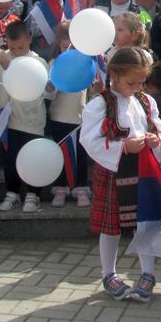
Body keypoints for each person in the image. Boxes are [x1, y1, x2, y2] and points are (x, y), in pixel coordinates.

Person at [79, 47, 161, 302]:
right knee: (111, 227)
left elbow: (160, 128)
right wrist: (123, 147)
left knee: (145, 223)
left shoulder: (145, 101)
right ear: (115, 75)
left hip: (143, 169)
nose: (137, 87)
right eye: (132, 82)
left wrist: (156, 139)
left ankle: (148, 273)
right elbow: (89, 140)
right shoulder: (100, 104)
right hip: (113, 170)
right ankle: (109, 273)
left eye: (141, 82)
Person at [0, 21, 49, 213]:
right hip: (7, 121)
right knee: (10, 159)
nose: (17, 51)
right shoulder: (2, 58)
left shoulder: (38, 63)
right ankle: (12, 194)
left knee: (32, 159)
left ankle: (33, 194)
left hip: (33, 122)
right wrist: (0, 54)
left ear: (30, 39)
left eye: (21, 47)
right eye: (12, 47)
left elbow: (48, 91)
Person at [45, 23, 89, 207]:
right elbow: (48, 92)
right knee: (60, 153)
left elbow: (92, 87)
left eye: (73, 46)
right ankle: (60, 188)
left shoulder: (87, 63)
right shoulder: (54, 64)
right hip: (60, 116)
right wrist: (51, 86)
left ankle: (81, 188)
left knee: (81, 154)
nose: (69, 50)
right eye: (65, 46)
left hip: (81, 117)